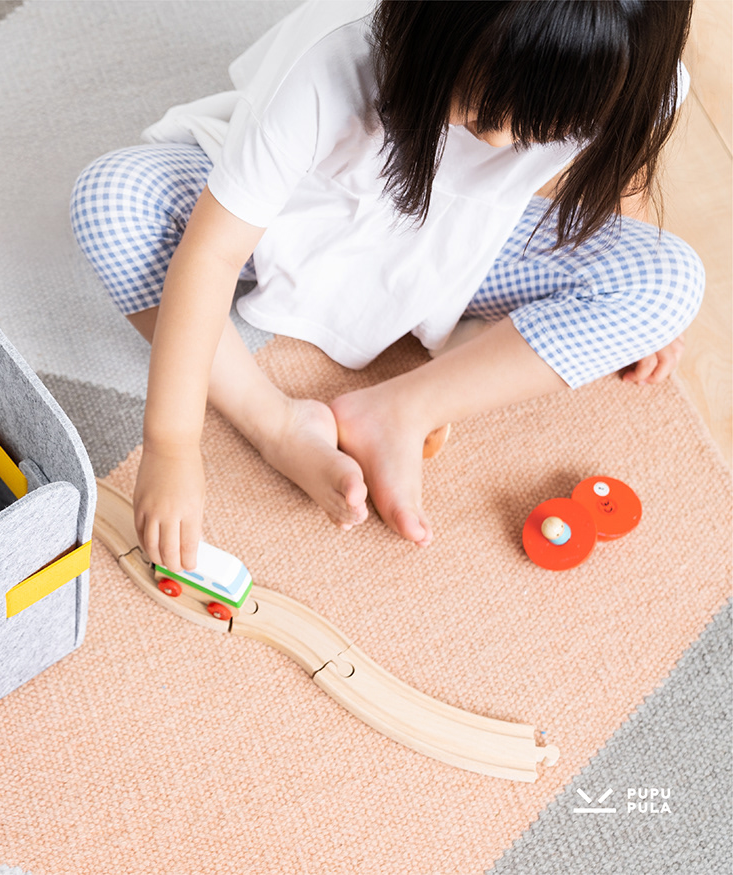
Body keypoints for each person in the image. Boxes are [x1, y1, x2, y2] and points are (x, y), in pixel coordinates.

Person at [70, 0, 703, 572]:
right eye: (482, 110)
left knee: (670, 282)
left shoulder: (633, 75)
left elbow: (620, 173)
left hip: (465, 249)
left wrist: (630, 302)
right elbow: (213, 253)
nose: (500, 140)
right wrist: (172, 446)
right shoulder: (333, 57)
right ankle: (277, 425)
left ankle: (401, 409)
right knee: (112, 199)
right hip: (292, 220)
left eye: (542, 131)